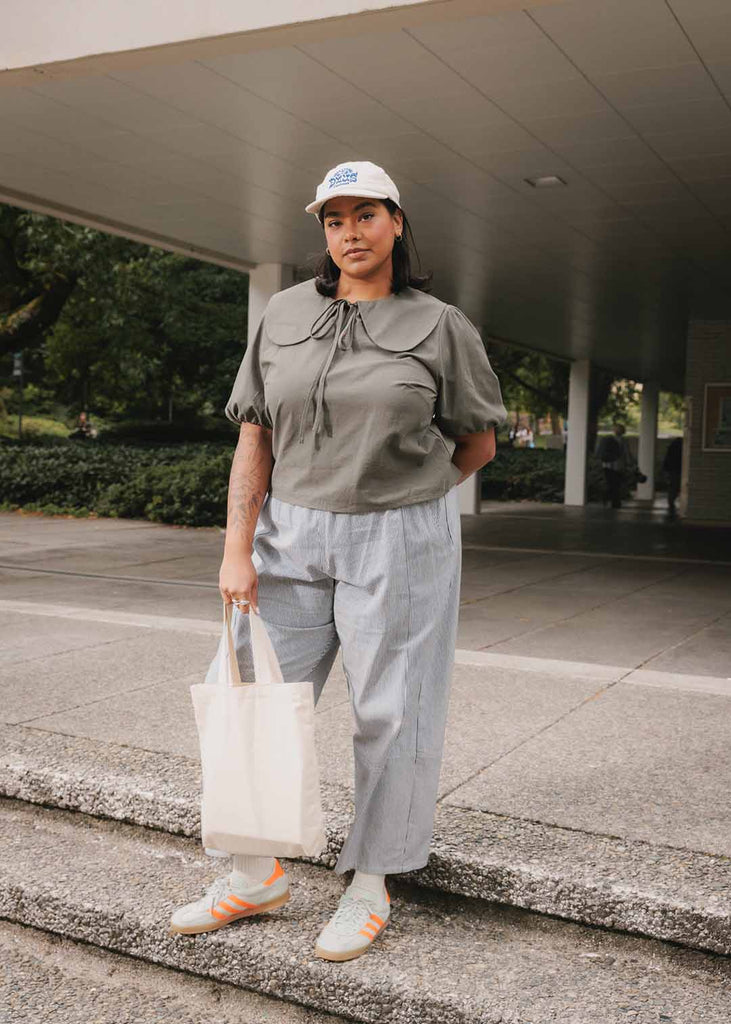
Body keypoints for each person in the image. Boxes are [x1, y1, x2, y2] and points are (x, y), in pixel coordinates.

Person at [169, 161, 507, 961]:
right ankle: (253, 872)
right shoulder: (284, 313)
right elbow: (254, 434)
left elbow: (477, 441)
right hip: (289, 534)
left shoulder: (441, 324)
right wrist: (235, 549)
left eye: (364, 216)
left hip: (398, 535)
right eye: (333, 220)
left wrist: (408, 498)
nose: (348, 233)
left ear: (395, 222)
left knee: (391, 709)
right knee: (242, 691)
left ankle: (370, 882)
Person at [597, 421, 630, 508]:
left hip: (607, 465)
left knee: (610, 483)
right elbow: (626, 454)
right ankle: (615, 502)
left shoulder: (607, 439)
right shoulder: (623, 441)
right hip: (618, 466)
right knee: (616, 484)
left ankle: (607, 497)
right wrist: (629, 463)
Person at [661, 436, 682, 517]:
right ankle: (672, 502)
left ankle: (671, 502)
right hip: (677, 470)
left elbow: (666, 460)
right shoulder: (680, 451)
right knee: (676, 486)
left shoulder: (671, 449)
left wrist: (664, 470)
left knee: (672, 486)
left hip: (671, 470)